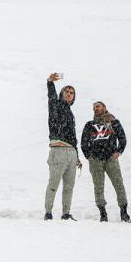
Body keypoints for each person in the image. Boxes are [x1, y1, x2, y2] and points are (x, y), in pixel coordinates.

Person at [81, 101, 131, 222]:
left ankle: (124, 212)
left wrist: (118, 152)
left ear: (104, 107)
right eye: (93, 108)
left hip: (110, 158)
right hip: (95, 160)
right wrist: (88, 156)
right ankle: (103, 213)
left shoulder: (113, 122)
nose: (95, 109)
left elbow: (122, 138)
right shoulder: (90, 125)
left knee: (118, 184)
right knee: (98, 187)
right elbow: (84, 142)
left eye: (97, 106)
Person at [44, 73, 81, 221]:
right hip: (58, 149)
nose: (69, 94)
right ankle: (48, 212)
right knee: (53, 183)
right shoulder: (55, 104)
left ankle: (66, 213)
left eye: (72, 93)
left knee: (69, 186)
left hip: (71, 152)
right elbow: (51, 97)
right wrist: (50, 83)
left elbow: (73, 137)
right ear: (61, 94)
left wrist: (77, 156)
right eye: (67, 91)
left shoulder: (71, 113)